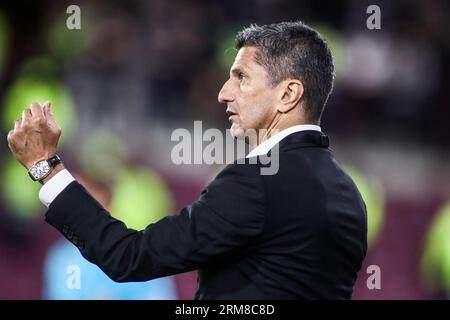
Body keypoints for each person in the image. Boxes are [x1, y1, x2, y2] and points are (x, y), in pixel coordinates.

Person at [7, 21, 367, 299]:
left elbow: (129, 256)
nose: (224, 93)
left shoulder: (256, 182)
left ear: (288, 93)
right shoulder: (348, 195)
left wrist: (46, 167)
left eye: (241, 77)